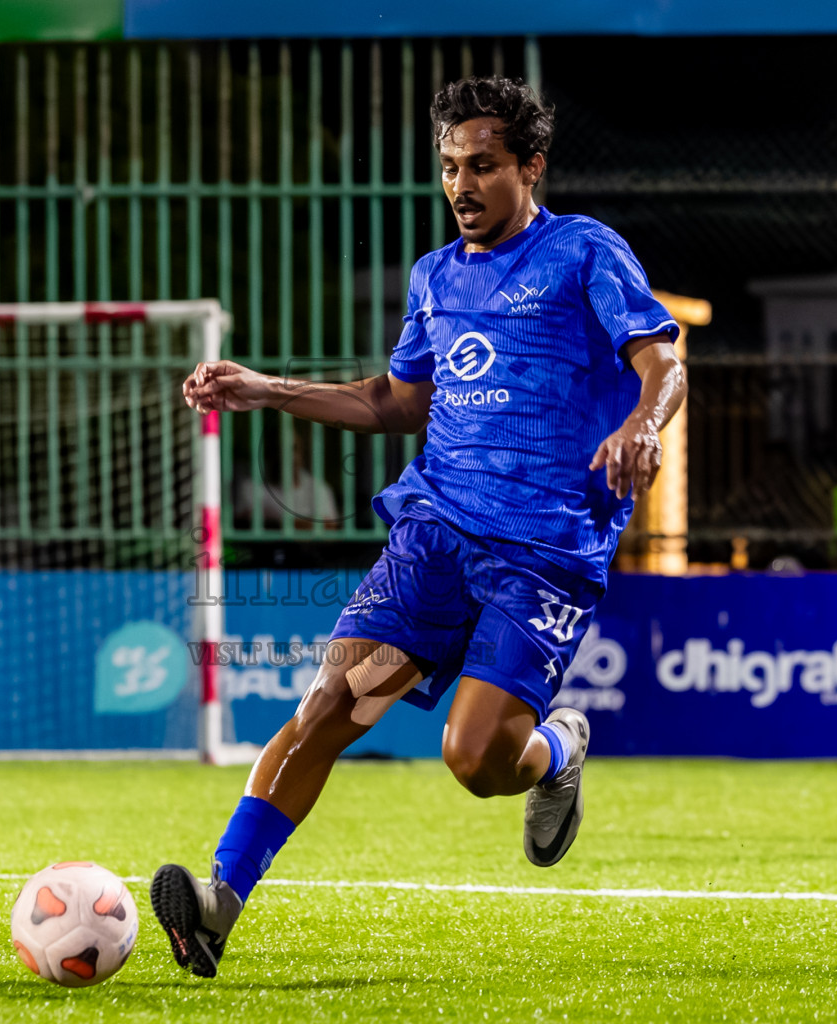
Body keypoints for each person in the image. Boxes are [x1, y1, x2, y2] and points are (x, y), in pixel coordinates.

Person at [151, 76, 687, 978]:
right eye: (449, 167)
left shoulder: (584, 252)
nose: (461, 185)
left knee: (474, 760)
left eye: (482, 165)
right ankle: (217, 903)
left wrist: (643, 423)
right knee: (329, 703)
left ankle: (557, 746)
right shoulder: (435, 276)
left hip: (545, 550)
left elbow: (662, 360)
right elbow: (397, 401)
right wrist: (267, 390)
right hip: (435, 532)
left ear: (531, 167)